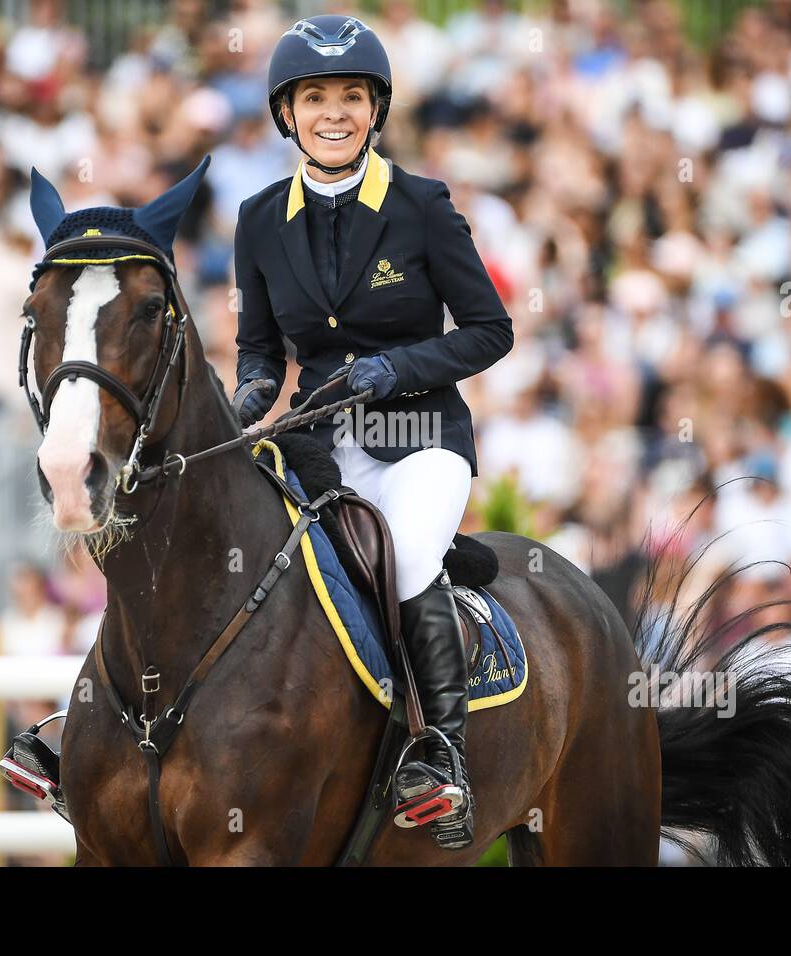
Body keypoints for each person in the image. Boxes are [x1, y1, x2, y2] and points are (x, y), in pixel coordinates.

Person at [232, 15, 513, 850]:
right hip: (316, 444)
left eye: (351, 96)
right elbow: (258, 349)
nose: (333, 112)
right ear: (288, 112)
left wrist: (401, 367)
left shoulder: (421, 206)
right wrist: (246, 397)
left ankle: (442, 757)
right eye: (315, 97)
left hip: (419, 437)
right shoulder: (257, 217)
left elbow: (490, 329)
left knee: (409, 552)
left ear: (374, 108)